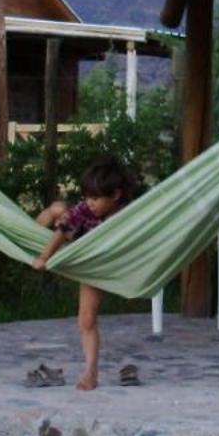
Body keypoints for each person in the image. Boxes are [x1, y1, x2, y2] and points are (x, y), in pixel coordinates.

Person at [34, 158, 135, 390]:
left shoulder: (130, 214)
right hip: (74, 242)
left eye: (95, 198)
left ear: (116, 195)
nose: (89, 203)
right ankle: (34, 228)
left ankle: (91, 373)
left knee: (87, 318)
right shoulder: (83, 209)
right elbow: (61, 233)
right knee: (58, 211)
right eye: (87, 197)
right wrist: (43, 256)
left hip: (96, 261)